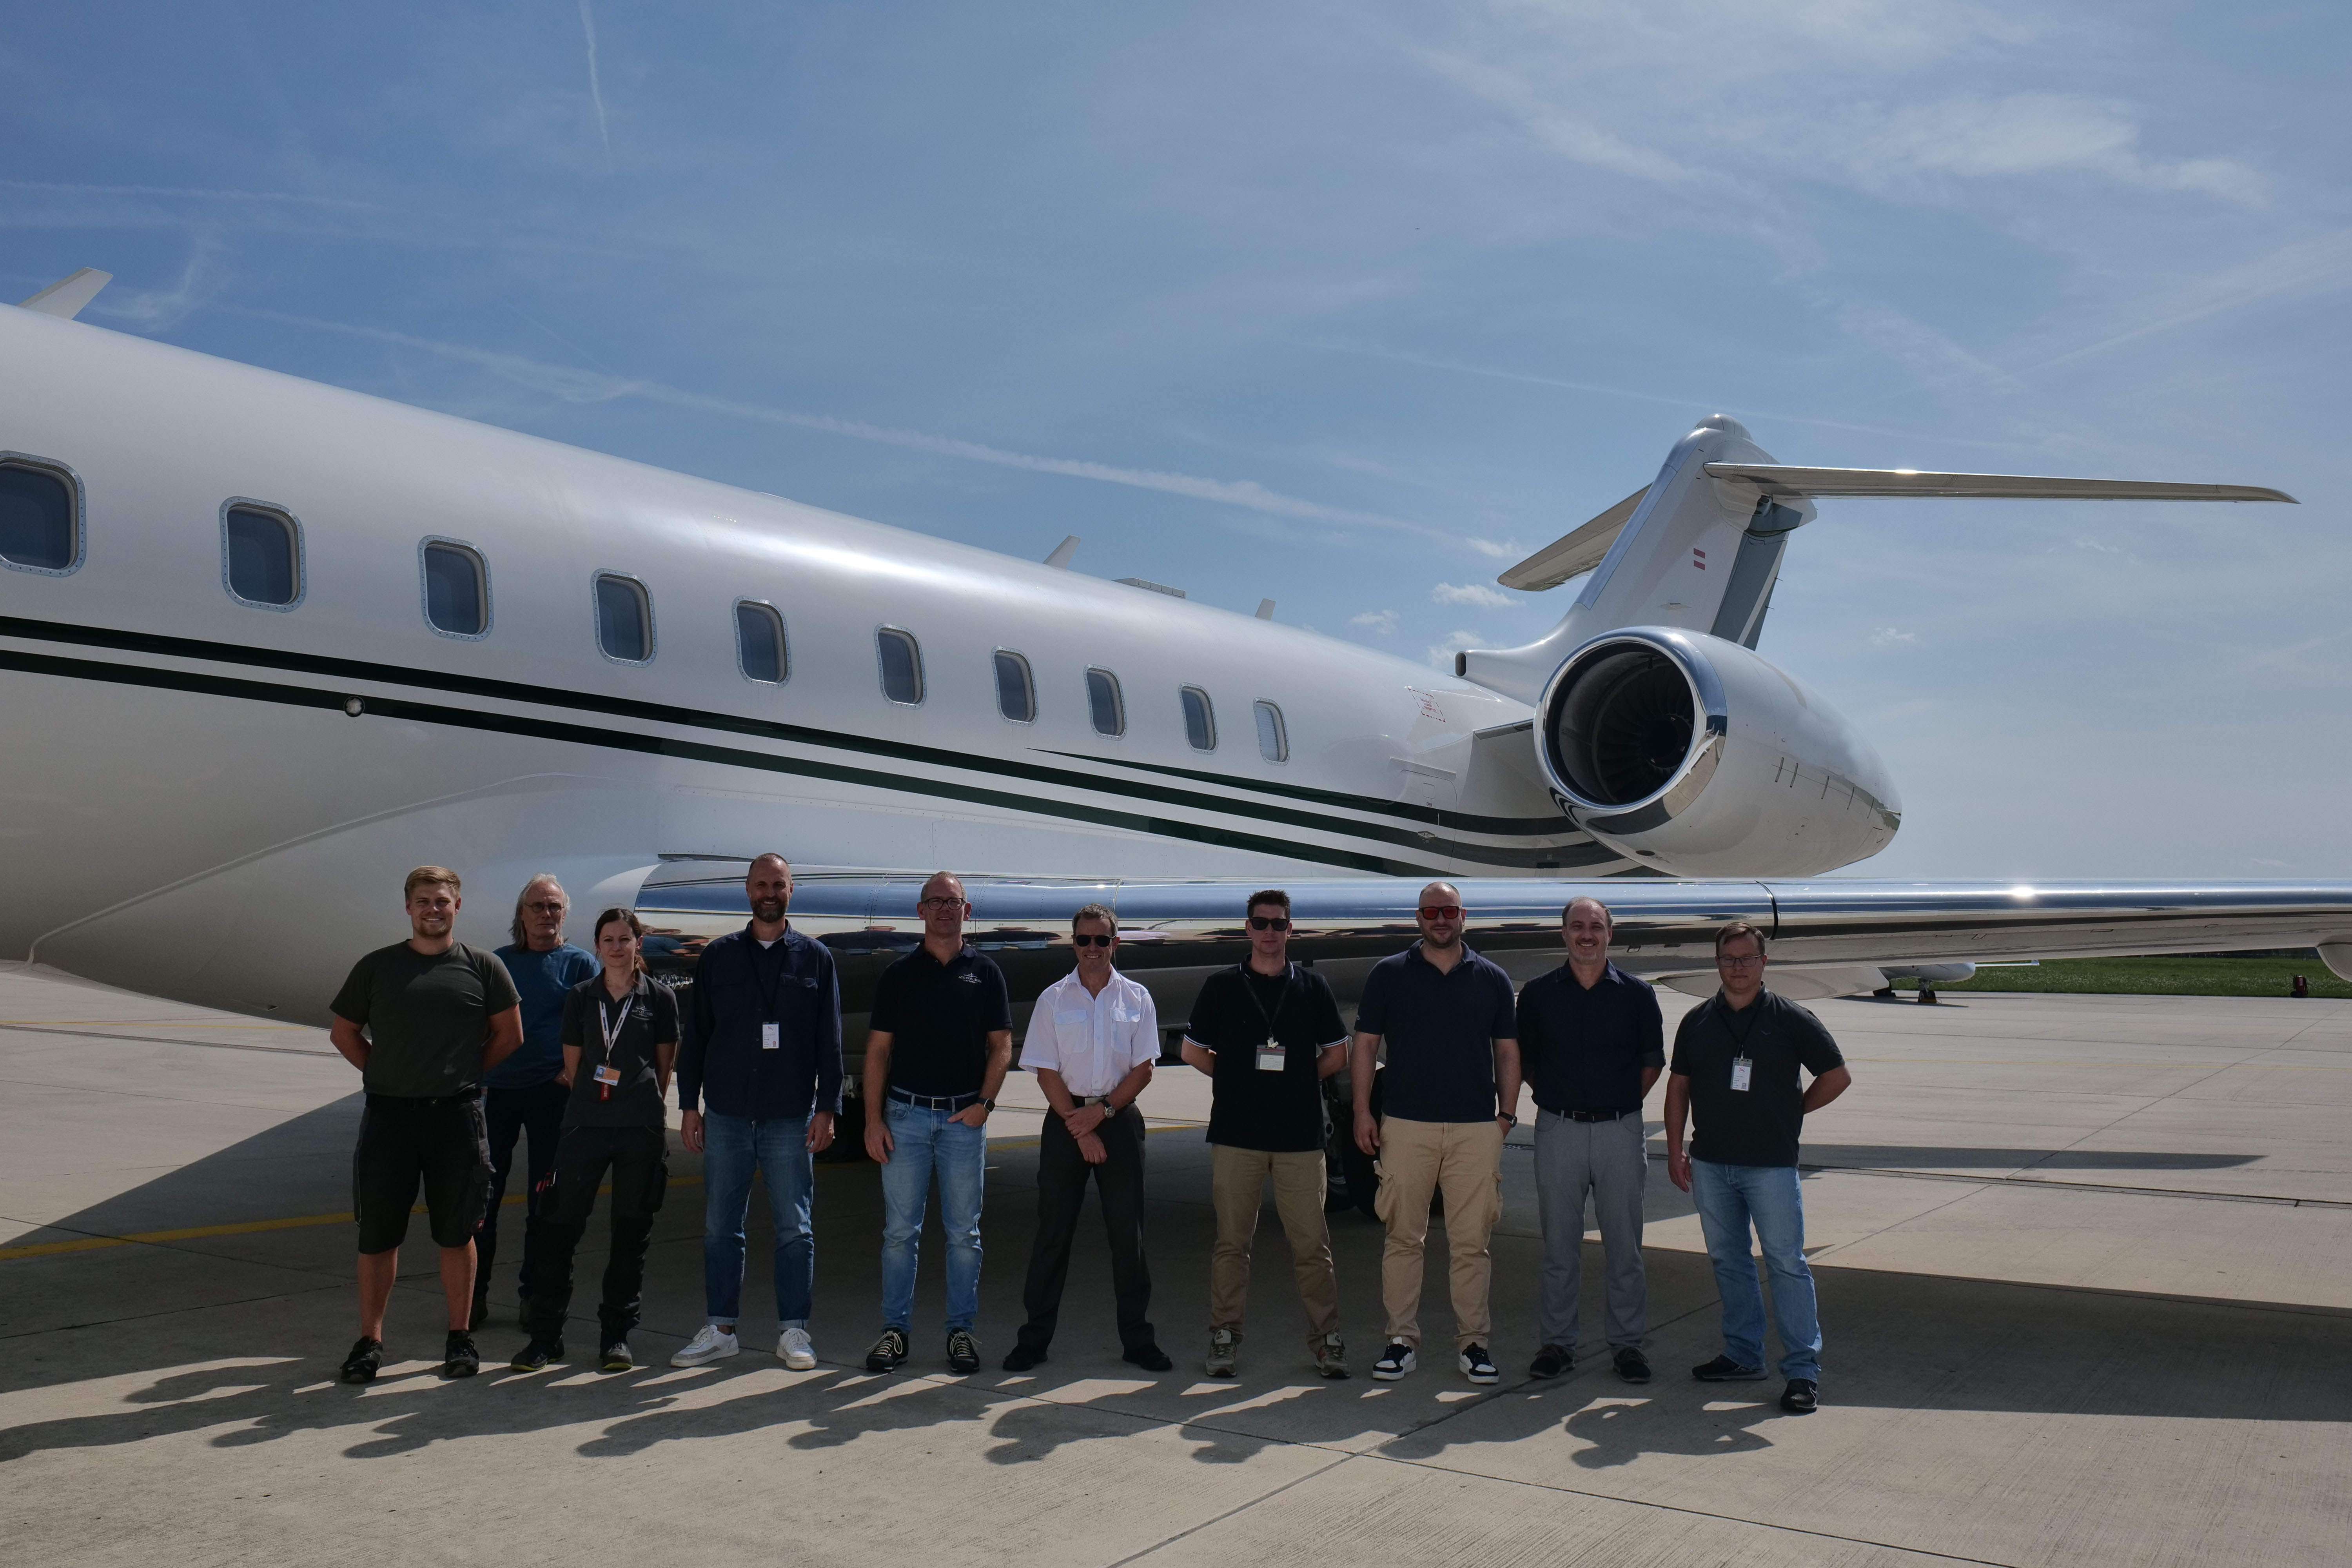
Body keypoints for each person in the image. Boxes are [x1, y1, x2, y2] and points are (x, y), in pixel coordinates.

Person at [326, 866, 523, 1383]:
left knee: (457, 1234)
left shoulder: (483, 967)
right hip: (389, 1120)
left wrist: (465, 1072)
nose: (432, 909)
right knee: (378, 1237)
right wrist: (385, 1071)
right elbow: (344, 1032)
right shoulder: (377, 967)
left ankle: (460, 1338)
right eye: (423, 901)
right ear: (408, 908)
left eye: (442, 901)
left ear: (458, 906)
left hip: (456, 1119)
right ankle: (370, 1341)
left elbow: (510, 1035)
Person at [1663, 921, 1853, 1414]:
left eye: (1748, 958)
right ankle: (1744, 1354)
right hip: (1711, 1162)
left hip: (1769, 1165)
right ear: (1718, 963)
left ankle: (1802, 1371)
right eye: (1730, 959)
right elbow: (1678, 1086)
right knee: (1730, 1261)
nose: (1739, 967)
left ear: (1764, 963)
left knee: (1787, 1263)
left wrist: (1794, 1112)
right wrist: (1675, 1148)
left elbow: (1836, 1076)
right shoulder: (1699, 1020)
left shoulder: (1791, 1018)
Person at [671, 854, 842, 1370]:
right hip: (726, 1113)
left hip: (790, 1115)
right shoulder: (719, 957)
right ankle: (721, 1328)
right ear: (748, 891)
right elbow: (697, 1035)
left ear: (793, 891)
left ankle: (794, 1332)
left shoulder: (816, 958)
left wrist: (829, 1109)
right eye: (761, 884)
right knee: (722, 1226)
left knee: (796, 1228)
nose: (770, 892)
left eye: (779, 884)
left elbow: (828, 1043)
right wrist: (688, 1106)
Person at [1351, 881, 1519, 1385]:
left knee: (1473, 1243)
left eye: (1448, 910)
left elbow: (1507, 1051)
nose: (1440, 919)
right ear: (1418, 917)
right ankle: (1401, 1340)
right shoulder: (1389, 975)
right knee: (1403, 1238)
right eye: (1431, 911)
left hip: (1475, 1128)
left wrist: (1505, 1117)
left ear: (1463, 915)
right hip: (1405, 1125)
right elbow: (1365, 1047)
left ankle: (1475, 1344)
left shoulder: (1491, 978)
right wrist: (1363, 1111)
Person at [1179, 889, 1350, 1379]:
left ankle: (1326, 1339)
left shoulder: (1312, 988)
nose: (1270, 932)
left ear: (1290, 930)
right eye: (1262, 923)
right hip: (1237, 1135)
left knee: (1312, 1245)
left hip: (1299, 1138)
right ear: (1248, 928)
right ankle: (1224, 1334)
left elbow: (1336, 1055)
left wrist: (1298, 1079)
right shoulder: (1222, 986)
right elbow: (1193, 1052)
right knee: (1232, 1243)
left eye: (1279, 924)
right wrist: (1236, 1077)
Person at [511, 907, 678, 1372]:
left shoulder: (660, 998)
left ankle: (616, 1337)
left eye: (626, 938)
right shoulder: (581, 997)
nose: (617, 947)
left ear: (638, 943)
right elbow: (573, 1064)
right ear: (598, 945)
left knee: (630, 1235)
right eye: (609, 939)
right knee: (558, 1229)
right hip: (584, 1125)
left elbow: (664, 1067)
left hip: (638, 1131)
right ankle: (546, 1336)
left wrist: (641, 1103)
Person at [1005, 903, 1169, 1372]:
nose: (1092, 948)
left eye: (1102, 940)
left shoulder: (1137, 997)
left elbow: (1144, 1069)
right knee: (1052, 1235)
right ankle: (1033, 1341)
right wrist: (1080, 1125)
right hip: (1065, 1119)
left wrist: (1103, 1113)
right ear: (1073, 943)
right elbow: (1045, 1070)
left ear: (1115, 943)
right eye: (1084, 940)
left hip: (1118, 1118)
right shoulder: (1053, 999)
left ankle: (1139, 1341)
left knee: (1128, 1237)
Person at [862, 872, 1013, 1376]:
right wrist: (872, 1120)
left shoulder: (986, 973)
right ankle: (894, 1332)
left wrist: (984, 1107)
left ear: (967, 912)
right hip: (904, 1116)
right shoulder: (899, 975)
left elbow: (1001, 1046)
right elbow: (879, 1052)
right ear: (920, 910)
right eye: (937, 902)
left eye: (954, 902)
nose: (946, 909)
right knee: (899, 1233)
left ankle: (960, 1333)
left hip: (962, 1120)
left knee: (963, 1234)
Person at [1514, 896, 1663, 1384]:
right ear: (1563, 933)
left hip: (1621, 1130)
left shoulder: (1638, 994)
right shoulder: (1537, 995)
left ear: (1610, 934)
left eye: (1595, 926)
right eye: (1577, 926)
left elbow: (1652, 1062)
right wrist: (1565, 1102)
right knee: (1560, 1246)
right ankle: (1557, 1343)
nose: (1586, 935)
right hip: (1559, 1129)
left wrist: (1614, 1105)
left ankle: (1627, 1345)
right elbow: (1527, 1062)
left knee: (1626, 1246)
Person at [475, 874, 597, 1328]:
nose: (546, 914)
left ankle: (534, 1296)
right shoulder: (498, 963)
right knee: (482, 1198)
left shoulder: (581, 964)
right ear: (521, 914)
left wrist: (574, 1074)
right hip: (499, 1093)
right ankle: (475, 1295)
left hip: (553, 1094)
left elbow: (595, 1027)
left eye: (554, 907)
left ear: (565, 913)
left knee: (544, 1202)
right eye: (537, 907)